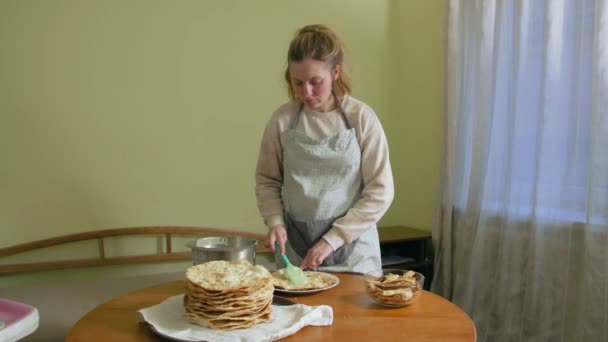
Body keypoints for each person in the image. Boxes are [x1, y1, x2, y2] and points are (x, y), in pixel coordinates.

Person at [255, 24, 394, 274]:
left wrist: (333, 239)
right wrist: (275, 221)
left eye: (315, 82)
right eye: (297, 83)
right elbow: (267, 180)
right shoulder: (282, 121)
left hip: (355, 257)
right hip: (298, 259)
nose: (306, 92)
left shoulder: (361, 118)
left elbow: (380, 191)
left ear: (336, 72)